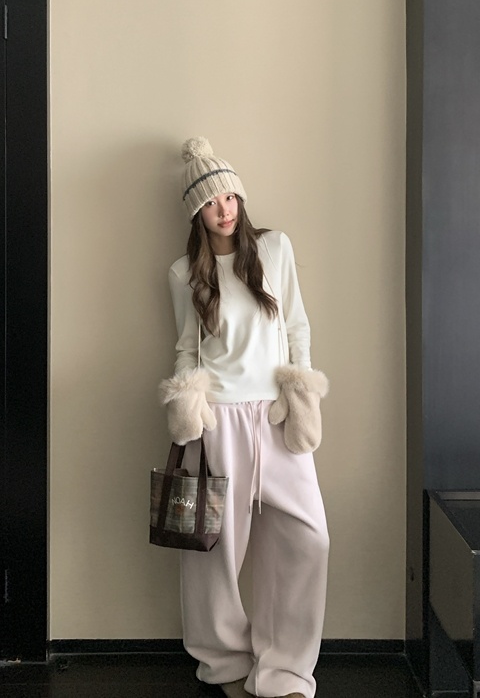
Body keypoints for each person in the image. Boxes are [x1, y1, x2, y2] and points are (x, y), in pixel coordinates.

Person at [160, 137, 330, 698]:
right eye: (212, 202)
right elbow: (187, 349)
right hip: (219, 421)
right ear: (197, 212)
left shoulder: (275, 249)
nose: (225, 209)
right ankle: (226, 663)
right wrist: (189, 407)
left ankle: (283, 672)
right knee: (213, 550)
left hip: (276, 416)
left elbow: (297, 326)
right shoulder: (184, 273)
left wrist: (302, 392)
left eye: (230, 196)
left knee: (308, 538)